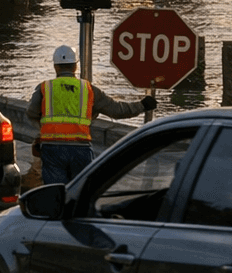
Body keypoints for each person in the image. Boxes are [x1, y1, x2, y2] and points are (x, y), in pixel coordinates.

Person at [26, 44, 155, 185]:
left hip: (52, 148)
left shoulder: (45, 87)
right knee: (80, 190)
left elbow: (31, 112)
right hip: (81, 148)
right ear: (75, 66)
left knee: (55, 191)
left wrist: (43, 129)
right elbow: (117, 110)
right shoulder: (88, 89)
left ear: (55, 66)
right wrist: (142, 105)